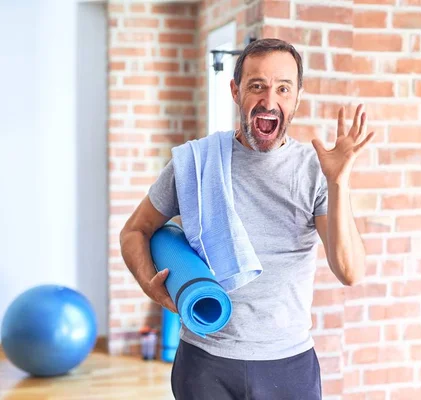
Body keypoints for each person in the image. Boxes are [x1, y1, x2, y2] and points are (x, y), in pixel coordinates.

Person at [120, 38, 375, 399]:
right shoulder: (195, 163)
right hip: (205, 361)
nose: (269, 101)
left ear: (297, 98)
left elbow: (349, 271)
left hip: (288, 364)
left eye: (283, 88)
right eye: (257, 86)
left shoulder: (315, 171)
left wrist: (339, 181)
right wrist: (151, 284)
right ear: (235, 91)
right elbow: (135, 230)